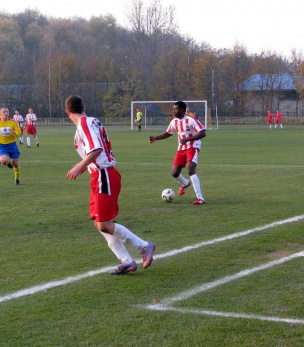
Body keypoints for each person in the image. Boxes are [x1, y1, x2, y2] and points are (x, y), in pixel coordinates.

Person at [65, 95, 155, 275]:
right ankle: (127, 261)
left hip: (104, 175)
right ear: (84, 106)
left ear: (67, 113)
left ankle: (144, 246)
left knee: (104, 224)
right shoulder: (91, 122)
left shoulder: (84, 123)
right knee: (99, 223)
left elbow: (97, 149)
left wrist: (80, 167)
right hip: (99, 174)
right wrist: (83, 166)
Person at [149, 101, 207, 204]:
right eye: (173, 109)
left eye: (175, 109)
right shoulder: (174, 121)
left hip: (193, 146)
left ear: (182, 110)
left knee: (190, 169)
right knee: (175, 173)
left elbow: (202, 133)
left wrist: (188, 139)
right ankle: (185, 183)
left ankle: (200, 198)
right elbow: (168, 133)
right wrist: (156, 138)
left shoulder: (191, 120)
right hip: (181, 148)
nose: (173, 111)